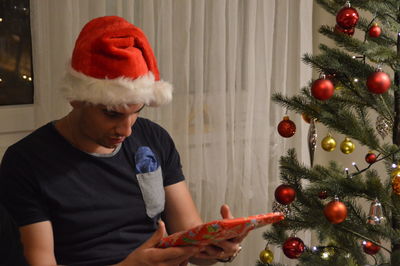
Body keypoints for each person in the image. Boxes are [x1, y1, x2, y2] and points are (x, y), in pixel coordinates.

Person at [0, 16, 247, 266]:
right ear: (76, 98)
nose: (127, 130)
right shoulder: (25, 161)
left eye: (136, 111)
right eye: (112, 113)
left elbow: (192, 246)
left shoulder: (154, 137)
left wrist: (217, 246)